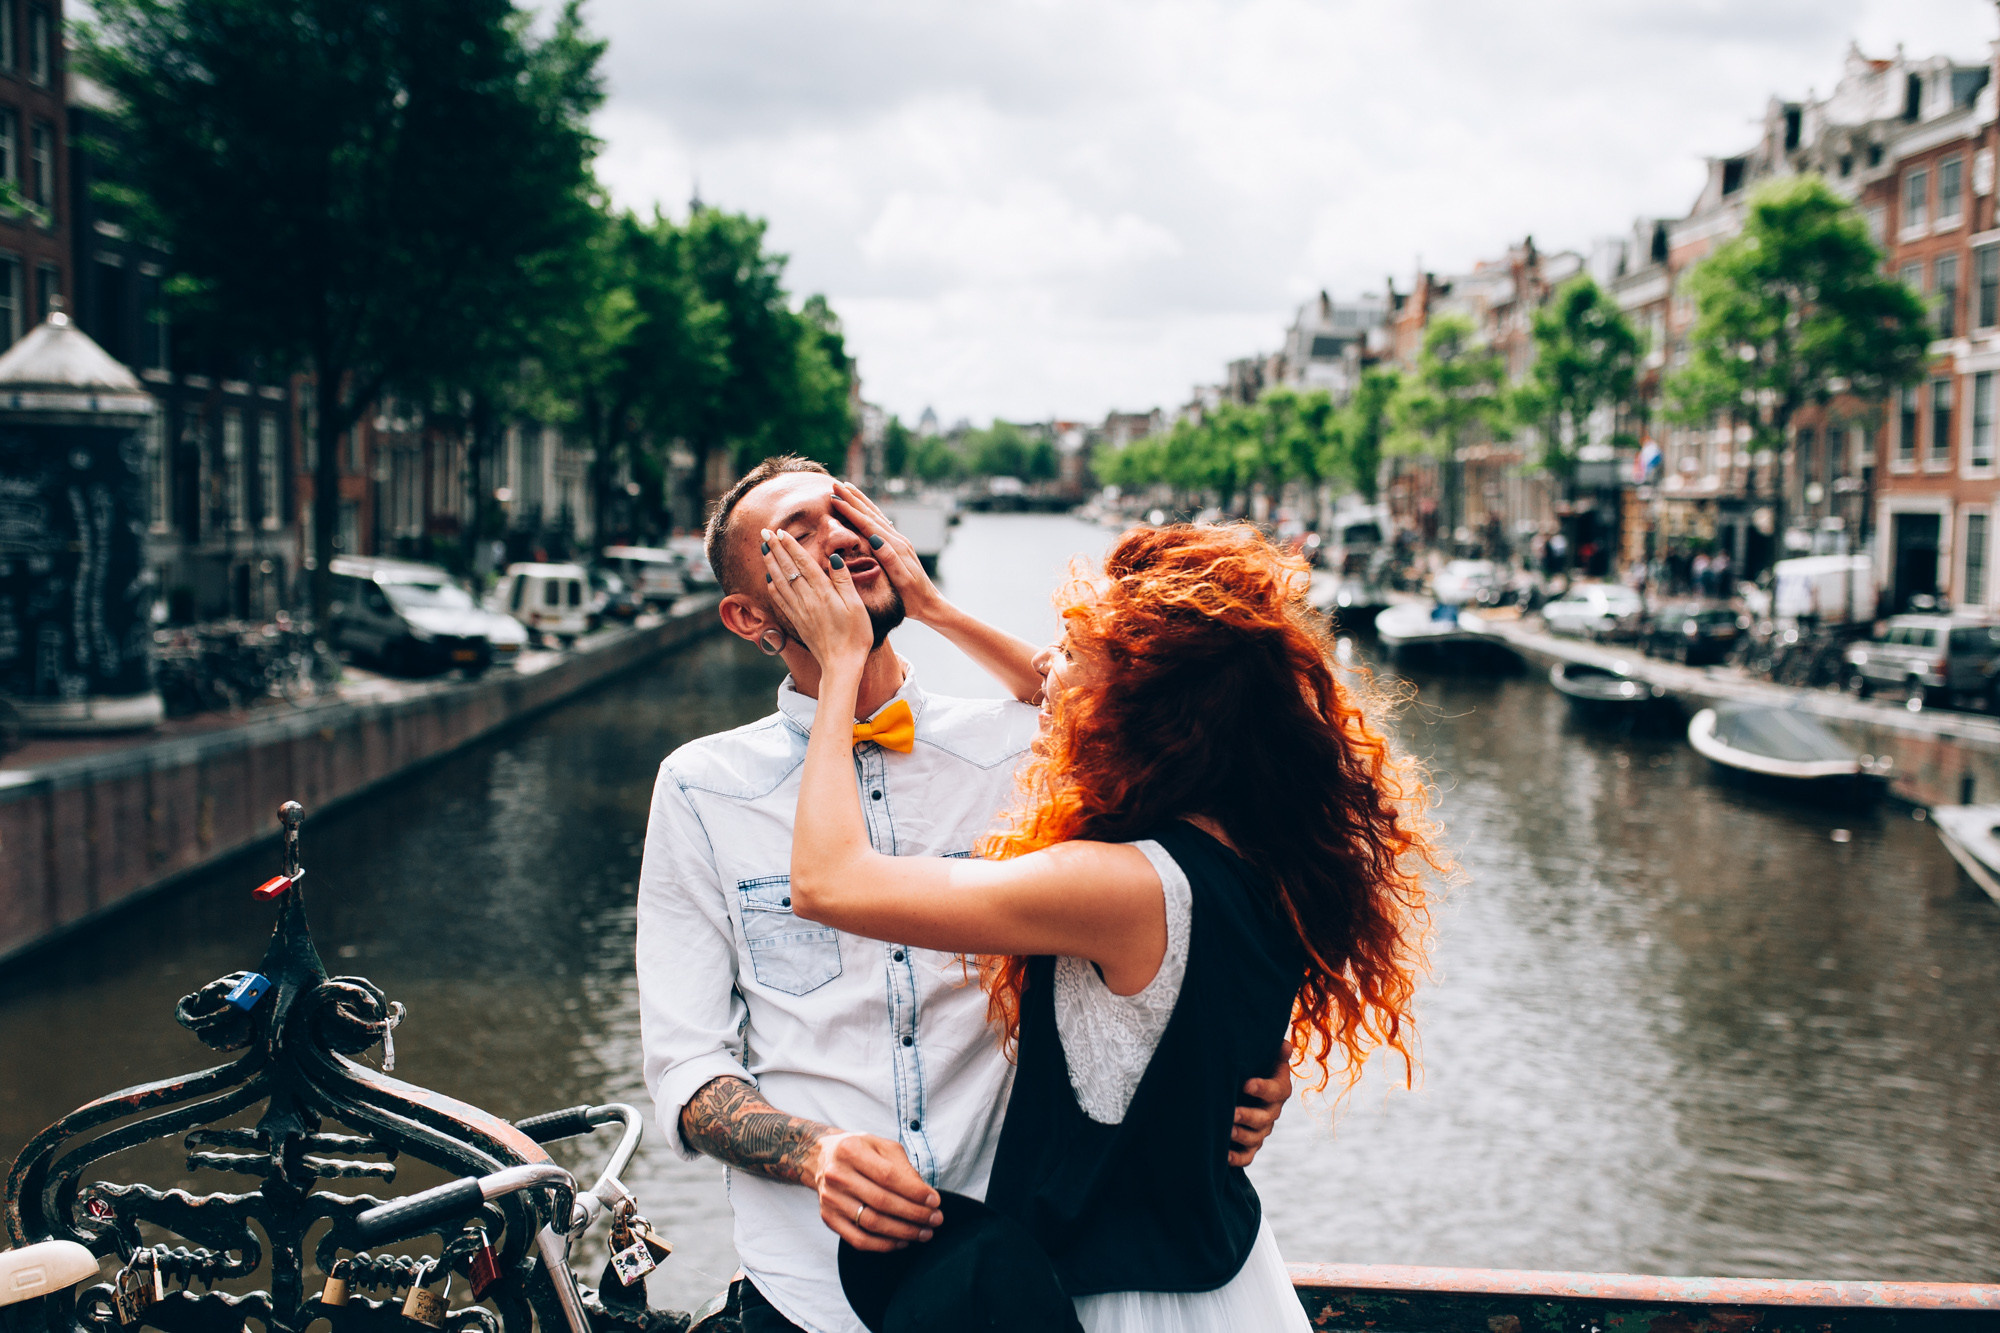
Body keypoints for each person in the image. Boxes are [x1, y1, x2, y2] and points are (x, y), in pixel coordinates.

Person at [636, 457, 1293, 1333]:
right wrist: (812, 1153)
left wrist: (1229, 1066)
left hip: (1010, 1277)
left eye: (846, 514)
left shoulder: (1016, 752)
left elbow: (1132, 731)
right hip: (805, 1293)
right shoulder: (700, 788)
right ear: (748, 615)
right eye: (795, 535)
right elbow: (688, 1067)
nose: (836, 535)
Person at [763, 519, 1442, 1330]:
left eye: (1072, 654)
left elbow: (830, 883)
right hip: (1224, 1282)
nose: (1044, 673)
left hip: (1121, 1304)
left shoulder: (1116, 886)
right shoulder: (1256, 840)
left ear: (1134, 702)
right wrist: (937, 610)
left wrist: (840, 667)